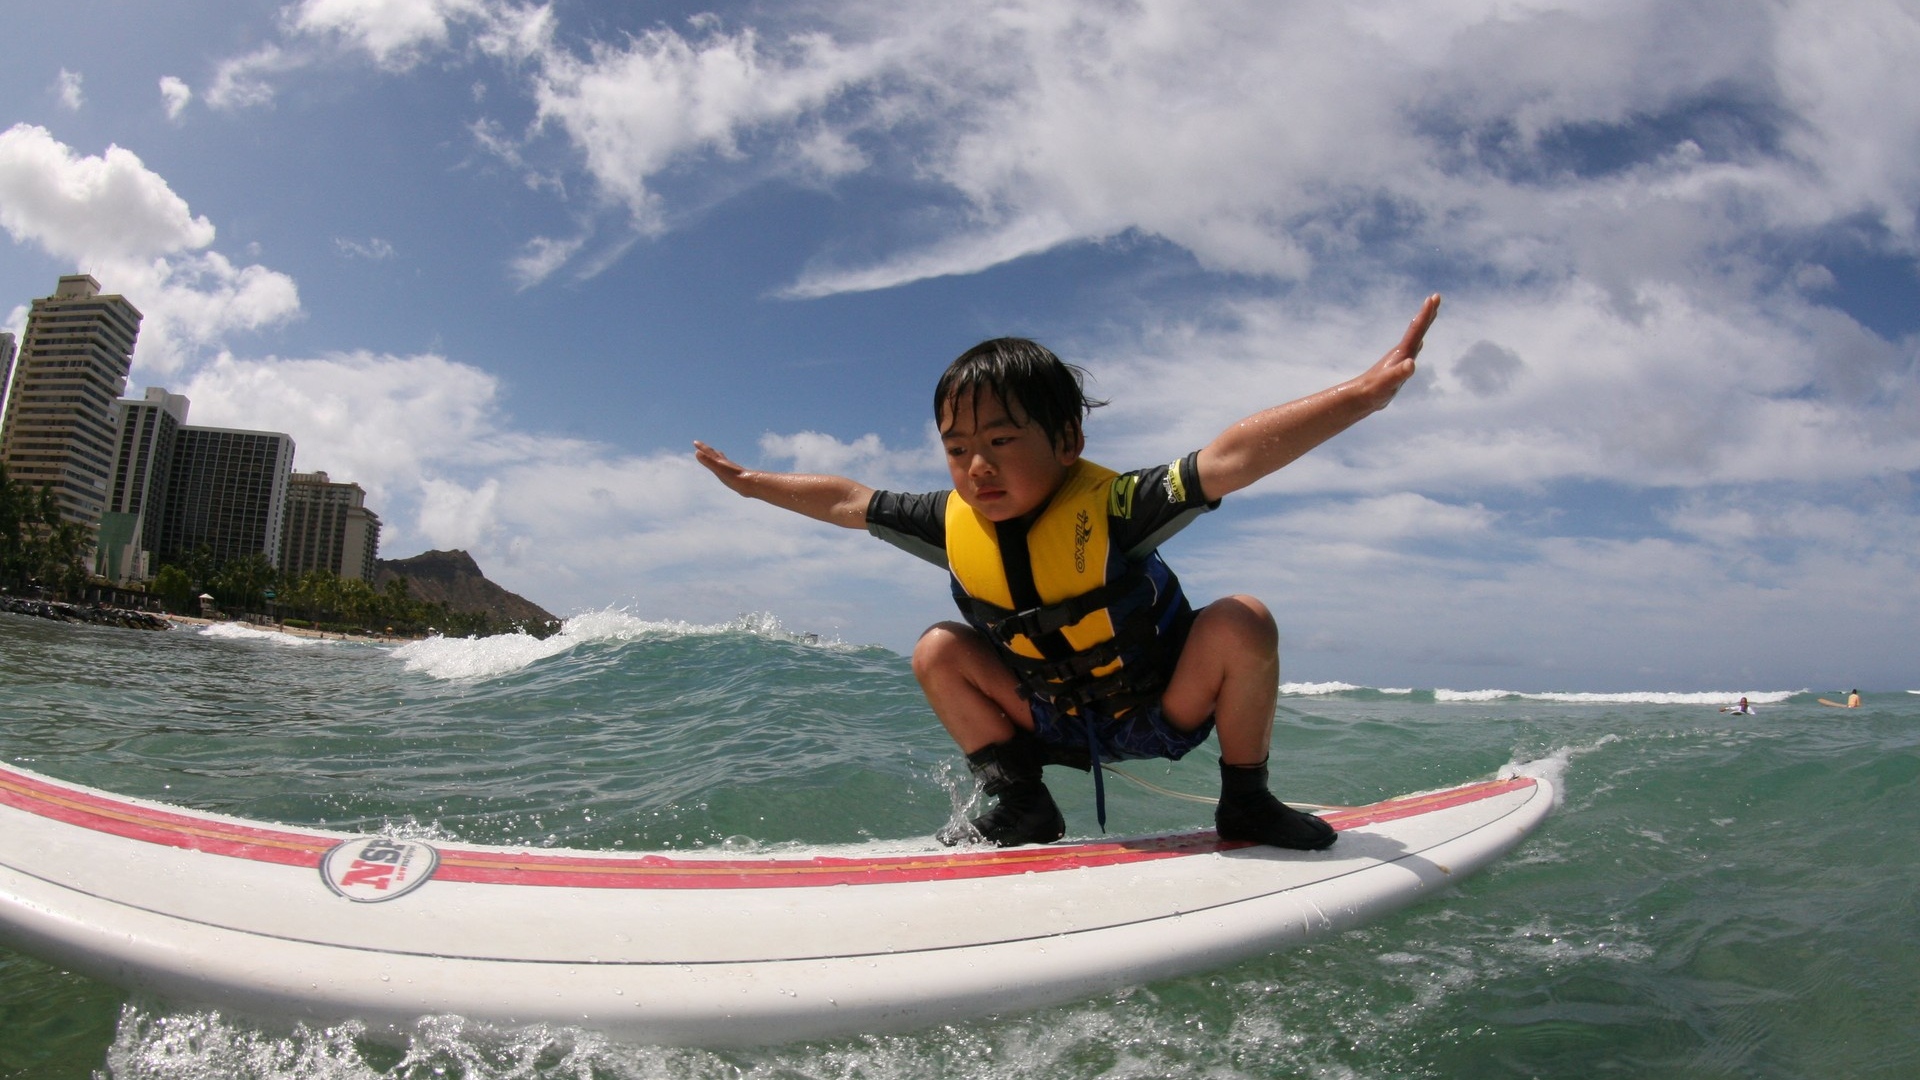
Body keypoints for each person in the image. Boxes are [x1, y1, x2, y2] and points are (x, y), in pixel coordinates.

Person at [695, 294, 1441, 850]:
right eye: (957, 448)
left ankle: (1246, 800)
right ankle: (1023, 803)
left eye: (1000, 440)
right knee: (937, 650)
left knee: (1243, 619)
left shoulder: (1115, 507)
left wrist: (1361, 395)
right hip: (1052, 720)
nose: (976, 466)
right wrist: (754, 483)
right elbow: (851, 500)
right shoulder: (952, 522)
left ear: (1067, 439)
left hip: (1159, 707)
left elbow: (1231, 459)